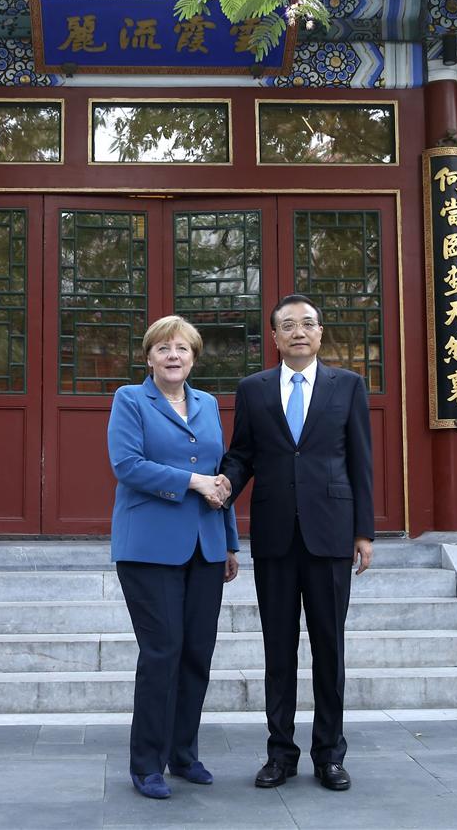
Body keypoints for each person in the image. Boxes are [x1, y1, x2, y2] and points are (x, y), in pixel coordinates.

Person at [220, 293, 374, 792]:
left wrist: (364, 531)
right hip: (275, 537)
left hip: (331, 534)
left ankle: (330, 754)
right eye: (288, 325)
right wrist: (222, 486)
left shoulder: (348, 386)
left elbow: (360, 462)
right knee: (278, 651)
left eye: (307, 323)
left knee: (330, 649)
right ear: (274, 337)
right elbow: (242, 452)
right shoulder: (253, 389)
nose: (298, 332)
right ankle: (280, 754)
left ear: (321, 332)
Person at [107, 315, 238, 800]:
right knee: (161, 652)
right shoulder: (129, 400)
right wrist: (192, 482)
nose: (173, 356)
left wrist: (228, 542)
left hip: (205, 546)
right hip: (148, 547)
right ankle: (147, 764)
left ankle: (184, 754)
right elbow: (128, 465)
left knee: (196, 654)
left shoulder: (206, 404)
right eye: (163, 348)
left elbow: (218, 476)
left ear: (194, 357)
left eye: (182, 348)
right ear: (149, 357)